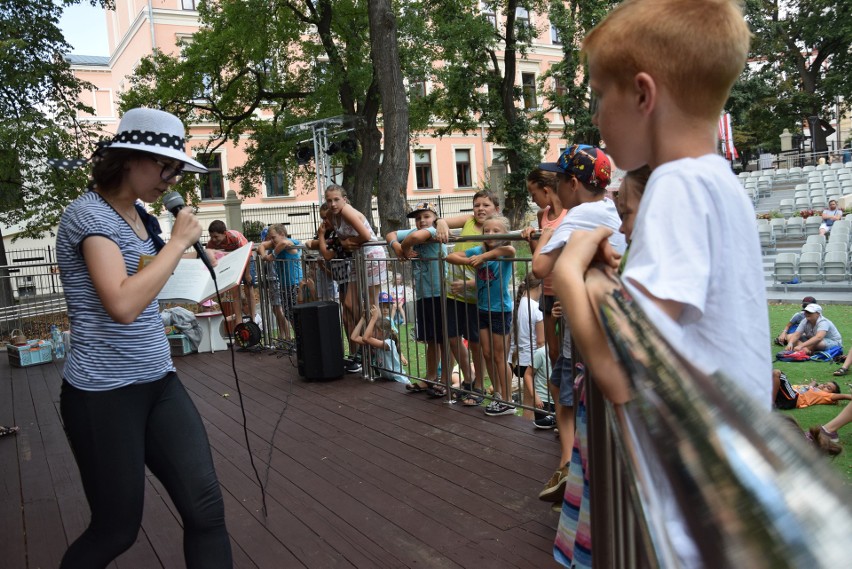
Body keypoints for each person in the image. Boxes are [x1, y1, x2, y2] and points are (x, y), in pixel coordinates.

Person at [549, 1, 765, 565]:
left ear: (643, 95)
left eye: (600, 95)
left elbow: (621, 373)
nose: (596, 116)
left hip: (695, 514)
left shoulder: (677, 187)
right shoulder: (717, 181)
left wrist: (573, 272)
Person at [55, 108, 232, 567]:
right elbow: (123, 304)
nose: (170, 179)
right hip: (103, 394)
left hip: (159, 380)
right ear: (128, 157)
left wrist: (195, 269)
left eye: (175, 169)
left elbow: (145, 281)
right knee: (115, 530)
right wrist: (175, 245)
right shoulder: (87, 216)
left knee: (206, 510)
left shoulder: (142, 217)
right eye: (164, 166)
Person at [530, 144, 626, 502]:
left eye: (557, 182)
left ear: (573, 183)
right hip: (605, 319)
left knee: (577, 394)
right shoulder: (606, 209)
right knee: (569, 390)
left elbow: (540, 268)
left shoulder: (580, 214)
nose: (554, 190)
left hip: (588, 327)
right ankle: (571, 464)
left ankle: (580, 477)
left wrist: (543, 234)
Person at [446, 214, 516, 416]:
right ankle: (499, 396)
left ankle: (509, 400)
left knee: (500, 356)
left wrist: (483, 258)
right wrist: (472, 259)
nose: (490, 234)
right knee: (487, 354)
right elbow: (449, 257)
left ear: (505, 234)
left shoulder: (503, 253)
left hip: (500, 310)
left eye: (496, 231)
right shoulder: (478, 250)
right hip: (482, 309)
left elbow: (510, 249)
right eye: (487, 231)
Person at [436, 190, 500, 406]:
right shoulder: (468, 220)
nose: (480, 209)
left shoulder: (495, 233)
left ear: (496, 209)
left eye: (486, 205)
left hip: (476, 297)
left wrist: (468, 284)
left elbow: (494, 271)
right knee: (453, 338)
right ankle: (468, 379)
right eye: (477, 205)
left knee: (475, 343)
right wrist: (441, 223)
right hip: (453, 294)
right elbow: (441, 219)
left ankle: (480, 386)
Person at [324, 184, 388, 373]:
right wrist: (340, 242)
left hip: (371, 254)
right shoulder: (330, 215)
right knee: (351, 302)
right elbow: (333, 237)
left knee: (372, 304)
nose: (333, 203)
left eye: (336, 199)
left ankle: (375, 350)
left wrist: (347, 242)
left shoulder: (348, 212)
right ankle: (365, 345)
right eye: (329, 200)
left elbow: (367, 235)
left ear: (345, 199)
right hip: (356, 258)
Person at [386, 201, 448, 397]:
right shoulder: (417, 229)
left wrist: (405, 247)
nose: (422, 220)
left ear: (435, 217)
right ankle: (430, 378)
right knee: (431, 339)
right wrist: (397, 247)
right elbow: (390, 234)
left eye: (426, 216)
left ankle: (446, 381)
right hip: (423, 294)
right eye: (418, 217)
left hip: (440, 293)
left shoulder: (433, 229)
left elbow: (413, 237)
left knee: (445, 339)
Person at [521, 169, 567, 368]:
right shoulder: (543, 215)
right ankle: (562, 398)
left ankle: (574, 395)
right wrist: (532, 236)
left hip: (565, 289)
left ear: (546, 190)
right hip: (547, 289)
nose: (533, 198)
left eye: (533, 193)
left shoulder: (570, 212)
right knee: (553, 351)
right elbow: (537, 255)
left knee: (569, 350)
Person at [256, 223, 303, 342]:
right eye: (270, 238)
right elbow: (261, 246)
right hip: (284, 284)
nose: (271, 240)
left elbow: (284, 243)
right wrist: (264, 257)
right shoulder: (275, 244)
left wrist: (272, 255)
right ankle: (299, 339)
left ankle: (302, 339)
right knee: (288, 313)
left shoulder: (289, 242)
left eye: (273, 237)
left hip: (295, 284)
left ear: (282, 234)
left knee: (296, 313)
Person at [206, 219, 256, 321]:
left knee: (248, 288)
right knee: (235, 291)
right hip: (233, 260)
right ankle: (238, 320)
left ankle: (253, 318)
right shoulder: (211, 243)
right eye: (212, 237)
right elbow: (207, 255)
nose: (214, 239)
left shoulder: (234, 237)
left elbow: (247, 253)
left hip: (246, 257)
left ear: (224, 233)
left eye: (216, 236)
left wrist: (247, 274)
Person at [350, 305, 410, 384]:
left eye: (373, 330)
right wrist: (362, 318)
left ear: (383, 332)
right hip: (388, 380)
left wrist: (374, 318)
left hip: (400, 380)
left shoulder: (389, 343)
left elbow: (365, 338)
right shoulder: (376, 342)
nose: (370, 332)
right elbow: (354, 337)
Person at [511, 273, 544, 385]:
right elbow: (541, 342)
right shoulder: (537, 308)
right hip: (533, 360)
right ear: (540, 286)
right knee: (534, 396)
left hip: (521, 360)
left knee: (528, 395)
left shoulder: (519, 303)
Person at [773, 371, 852, 409]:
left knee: (777, 374)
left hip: (793, 398)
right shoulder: (813, 389)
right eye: (824, 384)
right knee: (771, 377)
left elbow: (844, 396)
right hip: (784, 396)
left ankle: (771, 403)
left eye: (828, 388)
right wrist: (813, 383)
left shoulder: (823, 395)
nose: (823, 386)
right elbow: (808, 388)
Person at [523, 345, 554, 427]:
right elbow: (528, 375)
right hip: (544, 401)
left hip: (561, 402)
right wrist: (535, 396)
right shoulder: (541, 352)